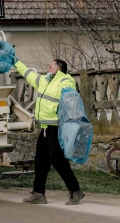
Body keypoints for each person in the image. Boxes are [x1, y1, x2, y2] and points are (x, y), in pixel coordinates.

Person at [14, 58, 85, 206]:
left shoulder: (65, 81)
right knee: (41, 160)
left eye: (50, 66)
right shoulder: (45, 80)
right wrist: (15, 62)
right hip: (45, 127)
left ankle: (75, 190)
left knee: (57, 160)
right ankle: (38, 193)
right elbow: (28, 74)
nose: (47, 68)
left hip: (56, 128)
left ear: (57, 69)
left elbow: (71, 99)